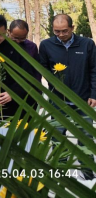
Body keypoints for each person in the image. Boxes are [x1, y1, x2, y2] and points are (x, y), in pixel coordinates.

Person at [39, 14, 96, 180]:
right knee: (57, 136)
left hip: (83, 100)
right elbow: (42, 68)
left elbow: (94, 70)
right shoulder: (46, 45)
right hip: (58, 100)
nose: (61, 34)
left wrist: (94, 94)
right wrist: (52, 84)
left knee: (85, 136)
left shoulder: (87, 44)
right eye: (57, 31)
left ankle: (87, 172)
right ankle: (60, 171)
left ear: (72, 28)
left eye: (65, 31)